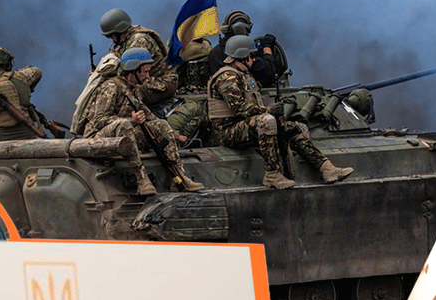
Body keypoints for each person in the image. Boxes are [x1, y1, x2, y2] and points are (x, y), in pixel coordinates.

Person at [207, 36, 354, 189]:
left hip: (245, 126)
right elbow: (239, 108)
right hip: (228, 131)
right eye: (250, 56)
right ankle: (272, 175)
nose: (253, 59)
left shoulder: (243, 75)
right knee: (267, 122)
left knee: (296, 128)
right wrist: (268, 110)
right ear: (242, 56)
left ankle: (326, 168)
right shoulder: (227, 77)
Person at [79, 48, 205, 195]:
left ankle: (178, 177)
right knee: (124, 124)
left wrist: (175, 135)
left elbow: (150, 117)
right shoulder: (111, 87)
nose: (147, 76)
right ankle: (141, 179)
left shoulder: (134, 90)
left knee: (161, 124)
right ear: (133, 70)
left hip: (123, 135)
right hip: (97, 139)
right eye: (145, 72)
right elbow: (98, 121)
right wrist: (130, 121)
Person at [99, 8, 177, 104]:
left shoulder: (139, 40)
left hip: (158, 83)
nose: (112, 39)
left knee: (122, 96)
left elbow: (128, 72)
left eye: (112, 35)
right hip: (143, 80)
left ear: (119, 30)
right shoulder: (121, 42)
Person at [207, 10, 286, 88]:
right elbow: (269, 73)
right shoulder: (243, 52)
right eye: (247, 29)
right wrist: (267, 47)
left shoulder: (215, 52)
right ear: (240, 29)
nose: (249, 33)